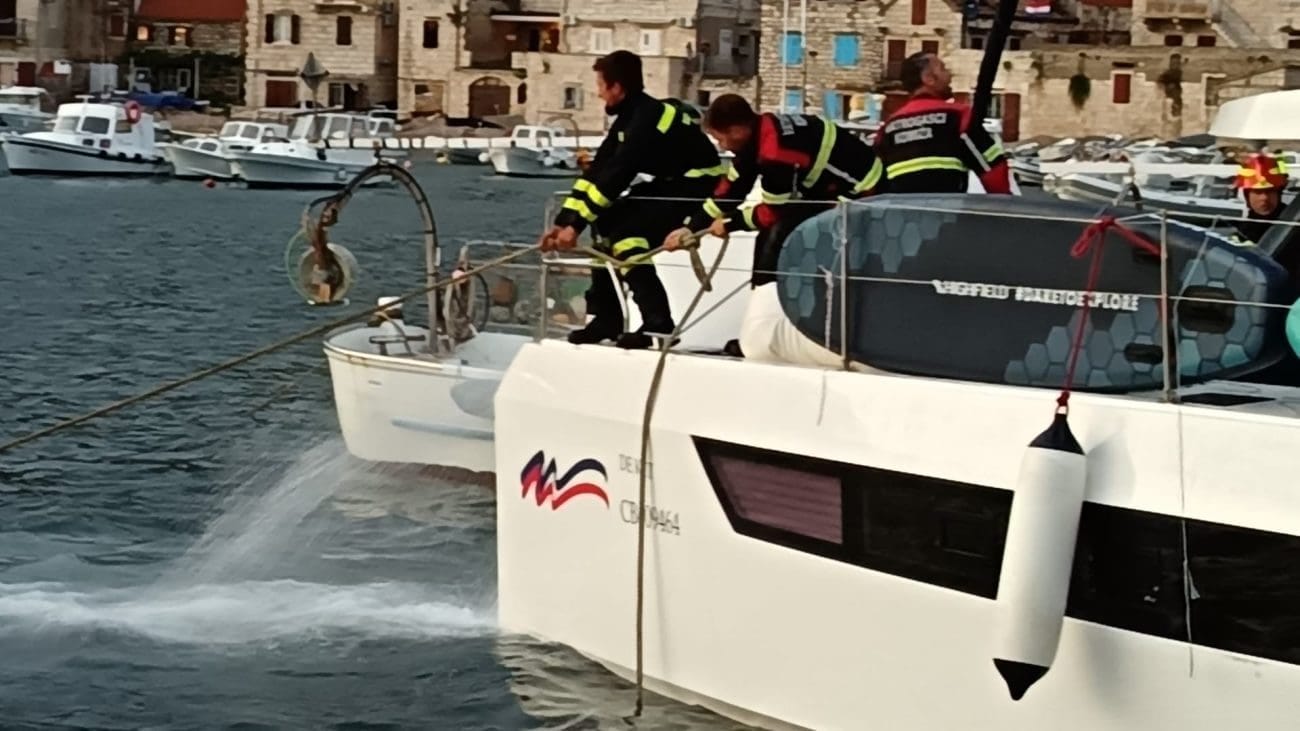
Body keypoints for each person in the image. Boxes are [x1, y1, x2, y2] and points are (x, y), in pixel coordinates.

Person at [538, 50, 727, 349]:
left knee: (627, 234)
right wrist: (564, 222)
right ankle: (607, 317)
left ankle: (658, 323)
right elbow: (598, 171)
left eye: (601, 85)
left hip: (698, 186)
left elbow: (617, 177)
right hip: (674, 183)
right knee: (606, 220)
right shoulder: (630, 117)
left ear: (617, 87)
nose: (599, 93)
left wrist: (576, 227)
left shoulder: (645, 119)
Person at [663, 93, 886, 288]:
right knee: (772, 235)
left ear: (737, 131)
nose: (721, 146)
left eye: (720, 139)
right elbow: (732, 189)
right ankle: (763, 298)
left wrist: (731, 223)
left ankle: (768, 302)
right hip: (827, 186)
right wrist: (692, 227)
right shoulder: (762, 129)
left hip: (861, 193)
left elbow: (772, 213)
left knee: (776, 235)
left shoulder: (775, 154)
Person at [875, 51, 1012, 195]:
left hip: (900, 209)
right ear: (929, 79)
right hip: (947, 208)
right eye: (943, 68)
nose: (949, 75)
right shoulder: (959, 115)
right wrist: (1005, 203)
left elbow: (875, 186)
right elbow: (994, 173)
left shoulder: (887, 128)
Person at [1232, 152, 1288, 245]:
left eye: (1270, 191)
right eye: (1257, 192)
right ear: (1247, 196)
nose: (1264, 198)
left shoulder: (1291, 224)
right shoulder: (1242, 228)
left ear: (1278, 194)